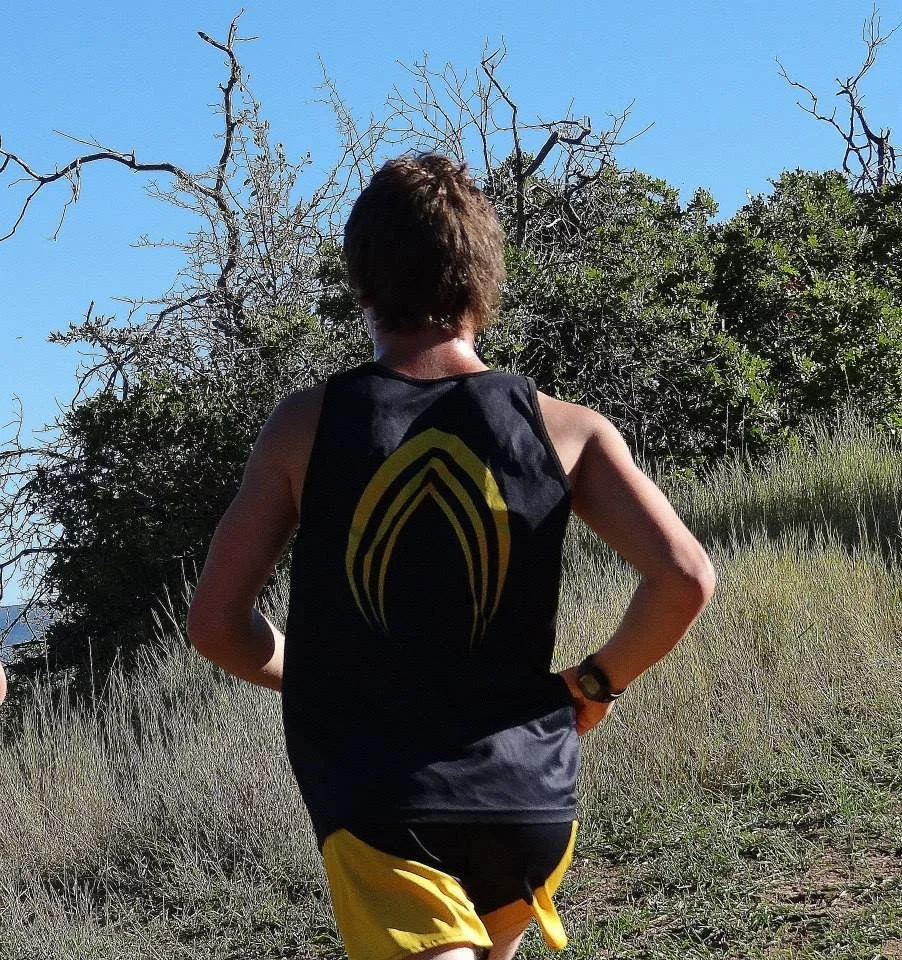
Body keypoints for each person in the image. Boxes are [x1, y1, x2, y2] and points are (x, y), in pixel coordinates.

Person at [188, 153, 716, 960]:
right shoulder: (568, 429)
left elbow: (216, 625)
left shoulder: (306, 427)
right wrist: (597, 682)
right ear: (482, 284)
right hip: (529, 798)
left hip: (384, 804)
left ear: (362, 283)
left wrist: (324, 670)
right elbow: (685, 579)